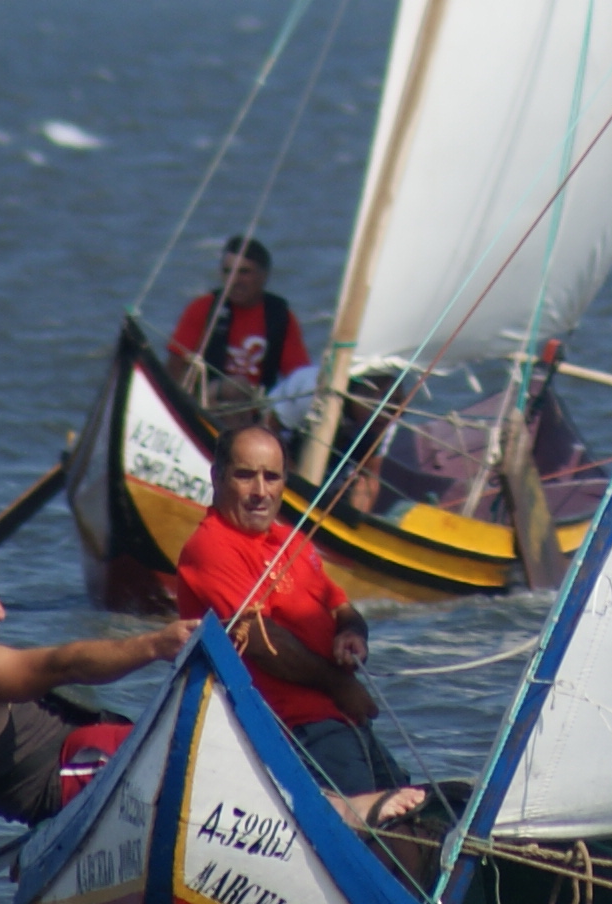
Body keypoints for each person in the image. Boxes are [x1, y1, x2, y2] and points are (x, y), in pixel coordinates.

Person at [171, 423, 423, 813]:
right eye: (245, 475)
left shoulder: (289, 540)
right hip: (296, 731)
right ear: (217, 477)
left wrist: (351, 633)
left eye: (271, 477)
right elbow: (264, 643)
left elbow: (341, 605)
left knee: (420, 813)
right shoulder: (211, 547)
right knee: (377, 832)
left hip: (343, 721)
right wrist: (341, 685)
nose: (260, 491)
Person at [0, 553, 181, 825]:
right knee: (192, 747)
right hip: (79, 774)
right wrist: (155, 645)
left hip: (65, 787)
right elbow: (63, 665)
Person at [169, 236, 313, 415]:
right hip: (209, 405)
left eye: (244, 272)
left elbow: (297, 376)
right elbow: (175, 367)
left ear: (264, 275)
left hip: (257, 409)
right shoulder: (203, 309)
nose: (234, 280)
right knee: (235, 387)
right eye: (228, 272)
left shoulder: (280, 316)